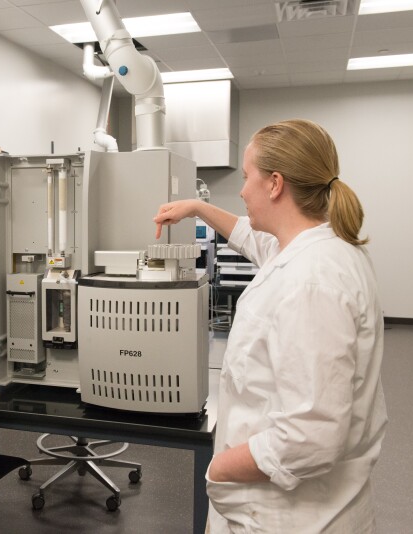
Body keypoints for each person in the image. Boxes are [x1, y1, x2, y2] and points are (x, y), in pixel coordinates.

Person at [154, 119, 387, 532]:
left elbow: (310, 436)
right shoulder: (316, 247)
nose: (242, 191)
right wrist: (197, 207)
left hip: (290, 515)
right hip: (289, 506)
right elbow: (253, 238)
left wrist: (220, 467)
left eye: (247, 178)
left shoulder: (310, 283)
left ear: (275, 183)